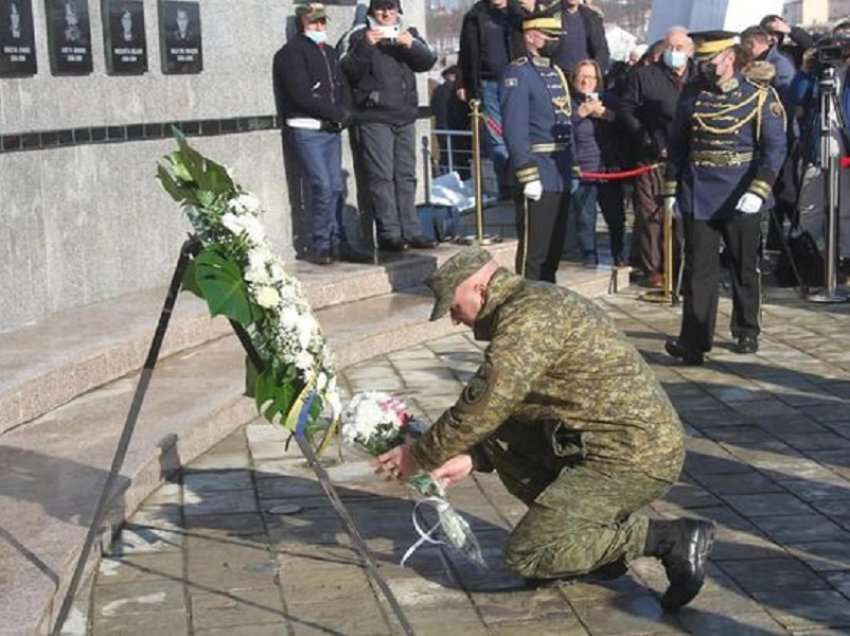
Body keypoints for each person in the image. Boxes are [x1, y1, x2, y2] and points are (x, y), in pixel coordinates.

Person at [373, 246, 716, 610]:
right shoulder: (529, 304)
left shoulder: (529, 318)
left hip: (631, 455)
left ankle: (667, 539)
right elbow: (503, 412)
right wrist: (472, 457)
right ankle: (592, 549)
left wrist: (418, 455)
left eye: (454, 308)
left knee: (529, 554)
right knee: (496, 432)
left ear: (478, 289)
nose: (456, 320)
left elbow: (480, 407)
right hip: (602, 444)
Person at [664, 31, 787, 366]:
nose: (704, 65)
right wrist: (672, 190)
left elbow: (774, 150)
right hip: (699, 191)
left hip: (740, 190)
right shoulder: (692, 95)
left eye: (711, 59)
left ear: (730, 58)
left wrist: (759, 190)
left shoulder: (759, 96)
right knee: (698, 270)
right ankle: (694, 340)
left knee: (744, 266)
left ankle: (747, 328)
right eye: (701, 59)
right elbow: (678, 146)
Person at [273, 3, 369, 265]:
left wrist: (345, 111)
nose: (319, 27)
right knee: (321, 185)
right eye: (313, 22)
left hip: (330, 130)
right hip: (307, 129)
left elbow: (341, 86)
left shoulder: (328, 52)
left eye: (322, 22)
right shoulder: (290, 53)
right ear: (301, 23)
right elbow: (301, 95)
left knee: (336, 187)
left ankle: (338, 240)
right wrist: (336, 113)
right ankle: (320, 244)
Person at [338, 0, 438, 253]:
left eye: (391, 8)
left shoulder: (409, 32)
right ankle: (389, 233)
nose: (386, 13)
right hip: (374, 116)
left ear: (398, 10)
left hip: (405, 115)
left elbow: (427, 61)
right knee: (381, 177)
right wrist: (366, 46)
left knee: (406, 175)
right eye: (381, 8)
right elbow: (347, 70)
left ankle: (412, 230)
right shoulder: (358, 35)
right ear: (372, 10)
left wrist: (410, 45)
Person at [618, 26, 695, 288]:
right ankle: (654, 268)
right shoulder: (644, 76)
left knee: (684, 216)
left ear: (690, 51)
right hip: (652, 156)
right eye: (670, 47)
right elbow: (627, 110)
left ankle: (684, 266)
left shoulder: (698, 76)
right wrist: (648, 140)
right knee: (652, 215)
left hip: (689, 158)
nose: (674, 53)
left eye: (679, 48)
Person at [500, 12, 574, 283]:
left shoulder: (554, 72)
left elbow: (565, 121)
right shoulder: (518, 72)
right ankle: (527, 308)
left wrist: (572, 165)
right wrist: (527, 173)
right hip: (538, 171)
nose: (555, 41)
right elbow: (515, 129)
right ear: (531, 36)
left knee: (554, 251)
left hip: (559, 170)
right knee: (535, 253)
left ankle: (547, 307)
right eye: (549, 36)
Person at [457, 0, 526, 192]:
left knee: (518, 134)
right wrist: (461, 82)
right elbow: (465, 53)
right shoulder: (474, 16)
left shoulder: (518, 12)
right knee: (496, 140)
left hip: (517, 82)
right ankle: (506, 184)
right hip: (487, 84)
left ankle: (523, 181)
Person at [570, 58, 625, 267]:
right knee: (585, 219)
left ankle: (619, 255)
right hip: (583, 170)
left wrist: (605, 114)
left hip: (608, 169)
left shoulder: (609, 100)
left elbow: (624, 124)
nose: (586, 82)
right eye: (582, 77)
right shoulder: (568, 103)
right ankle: (589, 259)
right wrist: (579, 114)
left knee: (616, 218)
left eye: (591, 77)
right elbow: (560, 132)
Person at [537, 0, 610, 73]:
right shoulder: (550, 15)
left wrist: (595, 73)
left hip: (584, 75)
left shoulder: (591, 17)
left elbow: (602, 50)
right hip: (557, 74)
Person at [430, 65, 471, 179]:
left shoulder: (438, 90)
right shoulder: (458, 90)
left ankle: (447, 175)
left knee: (446, 154)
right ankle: (462, 177)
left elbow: (433, 108)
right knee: (461, 155)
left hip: (442, 125)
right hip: (457, 126)